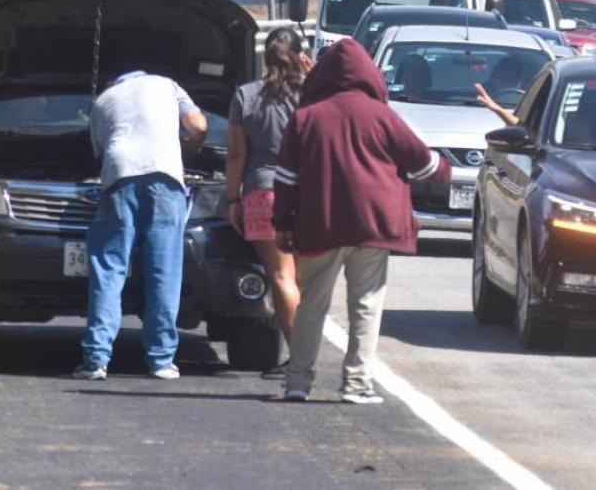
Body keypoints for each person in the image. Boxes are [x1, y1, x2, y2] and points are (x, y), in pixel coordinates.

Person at [273, 39, 451, 404]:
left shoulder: (306, 117)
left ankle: (298, 382)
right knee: (366, 303)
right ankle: (356, 385)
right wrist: (446, 170)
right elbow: (425, 165)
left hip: (319, 224)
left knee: (312, 305)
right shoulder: (382, 115)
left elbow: (286, 179)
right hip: (374, 224)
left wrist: (283, 224)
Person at [73, 70, 208, 381]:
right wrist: (189, 149)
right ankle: (161, 360)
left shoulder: (103, 101)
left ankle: (96, 359)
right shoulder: (168, 85)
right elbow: (198, 125)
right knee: (164, 270)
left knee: (110, 268)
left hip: (120, 175)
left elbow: (100, 152)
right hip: (165, 177)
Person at [226, 28, 312, 376]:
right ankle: (306, 352)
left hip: (263, 191)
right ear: (300, 54)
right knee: (305, 279)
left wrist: (233, 198)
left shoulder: (245, 96)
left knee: (280, 276)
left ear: (265, 58)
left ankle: (300, 358)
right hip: (309, 192)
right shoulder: (313, 95)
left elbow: (236, 153)